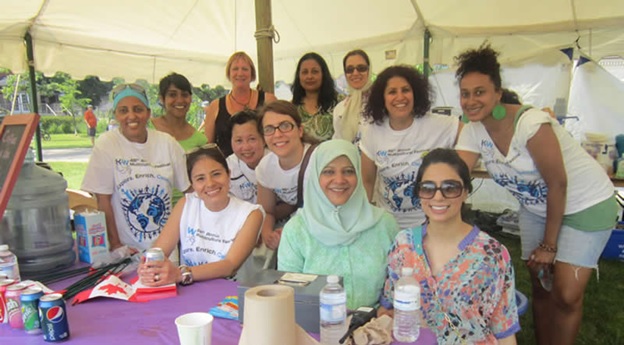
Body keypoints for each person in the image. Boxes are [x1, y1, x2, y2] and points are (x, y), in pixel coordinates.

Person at [454, 43, 617, 345]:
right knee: (541, 283)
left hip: (586, 204)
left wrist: (549, 245)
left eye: (480, 92)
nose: (471, 100)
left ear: (497, 93)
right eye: (465, 94)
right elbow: (456, 177)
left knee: (566, 293)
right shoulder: (473, 129)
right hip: (536, 207)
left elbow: (558, 184)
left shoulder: (530, 124)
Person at [379, 148, 519, 344]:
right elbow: (387, 310)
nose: (438, 197)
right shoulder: (404, 245)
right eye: (428, 188)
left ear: (465, 192)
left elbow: (504, 331)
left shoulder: (491, 254)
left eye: (450, 188)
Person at [278, 139, 399, 309]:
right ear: (315, 176)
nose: (339, 180)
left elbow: (398, 282)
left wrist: (386, 310)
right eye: (328, 172)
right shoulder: (297, 229)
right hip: (315, 328)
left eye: (348, 171)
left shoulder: (384, 224)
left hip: (376, 327)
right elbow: (288, 294)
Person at [81, 84, 190, 253]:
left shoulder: (167, 143)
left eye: (138, 109)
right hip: (127, 250)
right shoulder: (107, 144)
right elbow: (103, 200)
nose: (131, 116)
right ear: (116, 115)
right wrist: (116, 245)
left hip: (166, 251)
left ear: (148, 113)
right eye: (123, 110)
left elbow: (189, 192)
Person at [138, 145, 264, 286]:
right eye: (200, 179)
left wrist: (180, 274)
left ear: (229, 175)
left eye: (216, 174)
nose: (210, 183)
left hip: (230, 296)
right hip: (189, 291)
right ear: (192, 184)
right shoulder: (186, 204)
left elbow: (230, 265)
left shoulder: (251, 214)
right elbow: (159, 251)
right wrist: (149, 267)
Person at [360, 65, 462, 229]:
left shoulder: (438, 124)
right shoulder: (372, 131)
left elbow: (472, 136)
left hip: (430, 222)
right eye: (392, 92)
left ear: (415, 93)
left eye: (406, 90)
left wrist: (458, 173)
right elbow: (367, 181)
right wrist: (363, 220)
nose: (400, 97)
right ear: (382, 98)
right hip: (388, 224)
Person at [256, 100, 317, 252]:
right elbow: (267, 211)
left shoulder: (320, 160)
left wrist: (292, 232)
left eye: (285, 126)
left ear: (300, 130)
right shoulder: (265, 167)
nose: (277, 134)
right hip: (293, 234)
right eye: (269, 129)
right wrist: (268, 235)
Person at [204, 52, 277, 156]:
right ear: (229, 74)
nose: (240, 73)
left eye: (245, 69)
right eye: (235, 69)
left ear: (252, 74)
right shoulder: (215, 106)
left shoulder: (268, 100)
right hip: (228, 167)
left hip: (263, 165)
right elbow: (208, 145)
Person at [151, 72, 208, 206]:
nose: (180, 100)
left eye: (184, 94)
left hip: (187, 208)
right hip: (151, 205)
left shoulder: (200, 140)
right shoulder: (148, 129)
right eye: (172, 94)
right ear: (161, 98)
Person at [291, 52, 338, 142]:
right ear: (298, 76)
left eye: (315, 72)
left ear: (323, 75)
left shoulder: (340, 103)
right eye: (305, 72)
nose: (309, 76)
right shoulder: (291, 108)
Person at [226, 109, 267, 204]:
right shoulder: (227, 167)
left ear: (264, 139)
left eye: (252, 139)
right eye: (239, 141)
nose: (246, 147)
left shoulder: (277, 161)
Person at [332, 49, 373, 144]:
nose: (355, 73)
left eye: (361, 68)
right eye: (349, 70)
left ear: (369, 70)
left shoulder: (381, 102)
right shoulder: (340, 108)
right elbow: (338, 140)